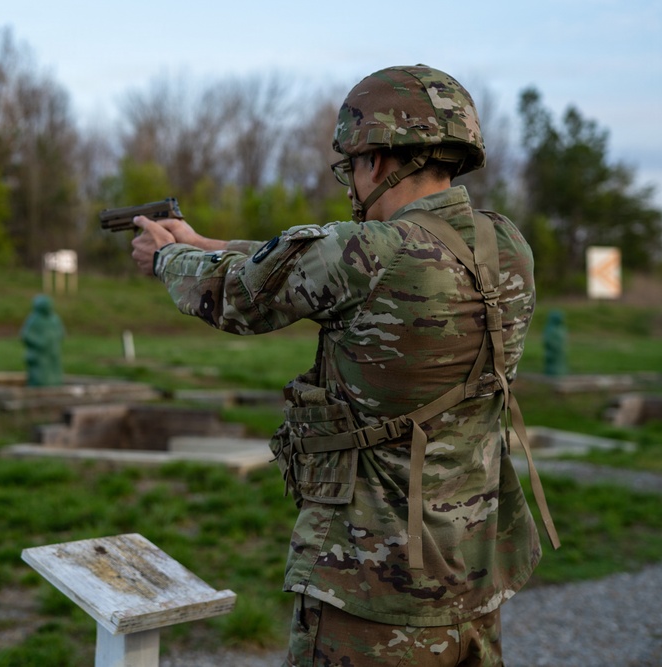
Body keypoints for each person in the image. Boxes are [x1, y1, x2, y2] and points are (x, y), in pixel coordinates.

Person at [128, 65, 559, 666]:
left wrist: (167, 256)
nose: (351, 184)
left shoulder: (365, 253)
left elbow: (239, 297)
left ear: (377, 162)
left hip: (370, 589)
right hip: (470, 578)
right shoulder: (506, 244)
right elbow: (307, 261)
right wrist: (204, 244)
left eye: (350, 167)